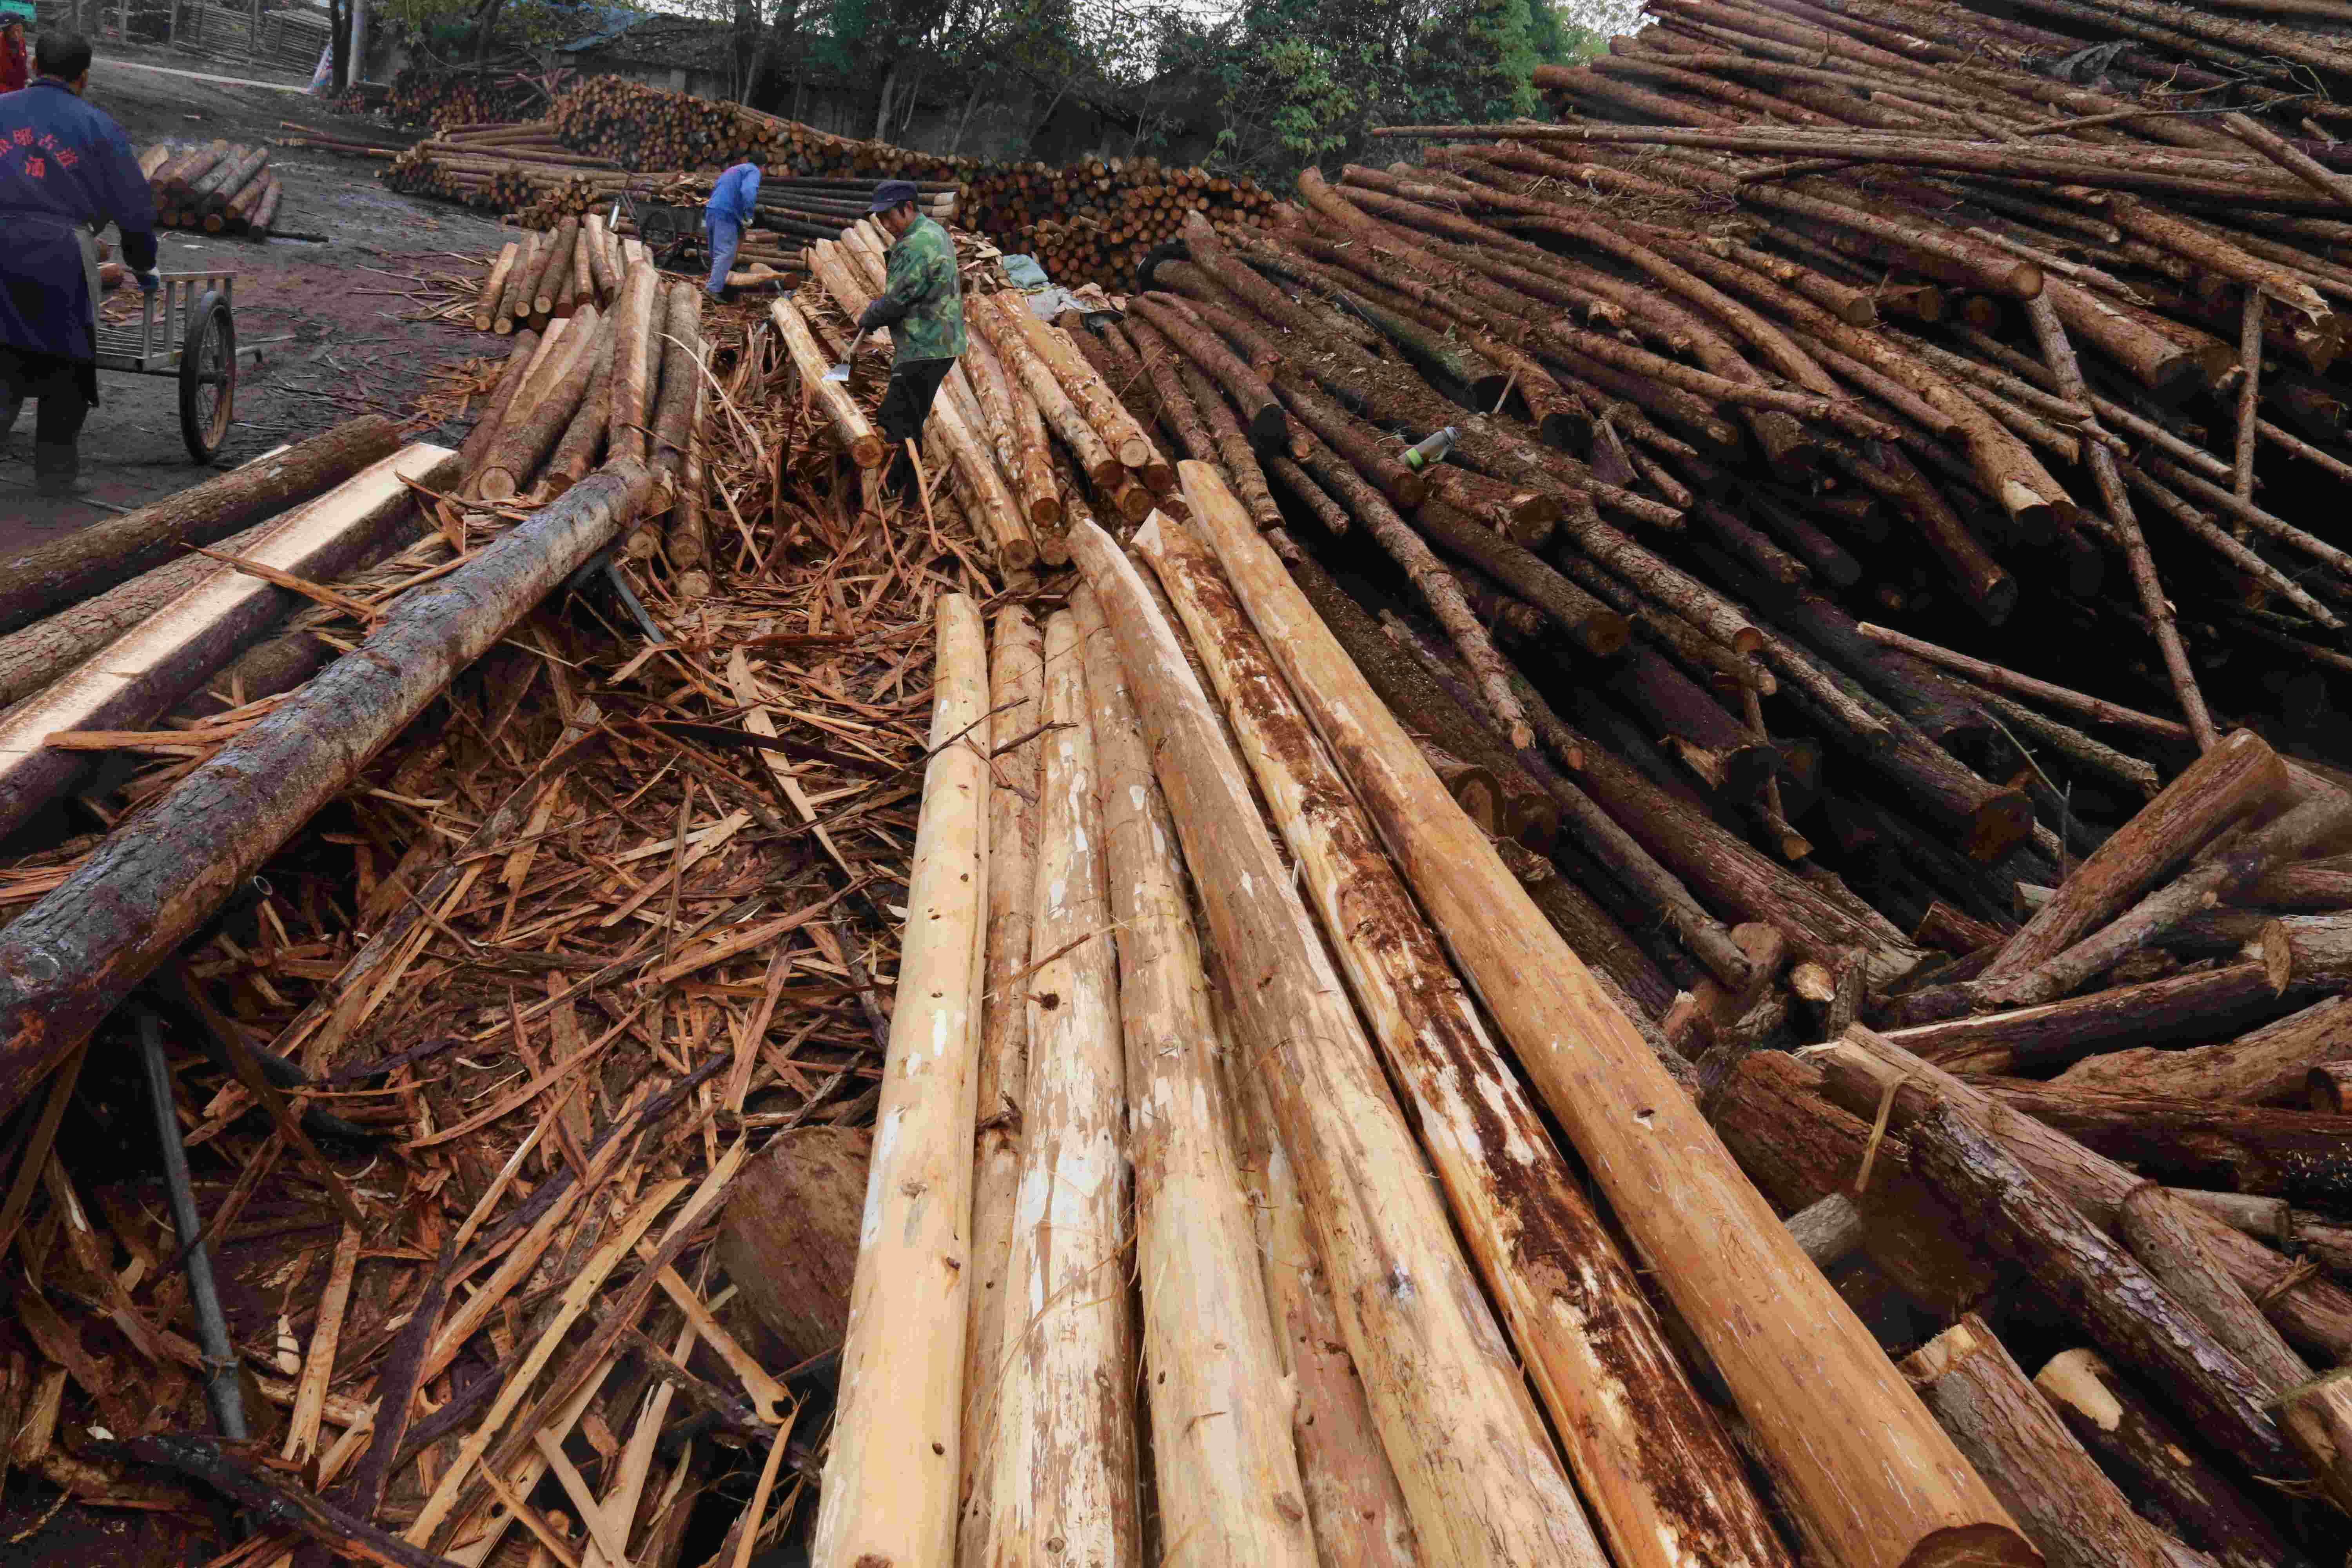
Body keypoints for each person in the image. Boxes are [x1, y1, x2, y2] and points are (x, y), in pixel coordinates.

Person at [0, 30, 158, 496]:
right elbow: (133, 207)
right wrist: (143, 263)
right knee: (67, 360)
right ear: (84, 77)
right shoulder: (99, 127)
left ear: (32, 66)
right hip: (61, 254)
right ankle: (54, 476)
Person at [857, 178, 963, 506]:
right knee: (909, 418)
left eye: (889, 216)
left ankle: (901, 494)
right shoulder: (933, 231)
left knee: (897, 420)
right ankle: (906, 492)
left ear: (907, 207)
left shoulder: (916, 245)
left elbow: (896, 301)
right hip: (938, 344)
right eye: (881, 219)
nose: (886, 225)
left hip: (924, 347)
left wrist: (868, 318)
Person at [703, 156, 760, 300]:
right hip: (726, 213)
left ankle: (718, 282)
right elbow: (749, 191)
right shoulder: (754, 171)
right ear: (764, 167)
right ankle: (713, 289)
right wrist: (748, 215)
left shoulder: (734, 169)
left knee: (717, 253)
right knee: (726, 253)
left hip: (712, 209)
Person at [0, 17, 29, 96]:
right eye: (4, 29)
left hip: (19, 88)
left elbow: (23, 63)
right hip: (5, 92)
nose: (6, 31)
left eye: (8, 28)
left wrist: (26, 78)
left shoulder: (21, 41)